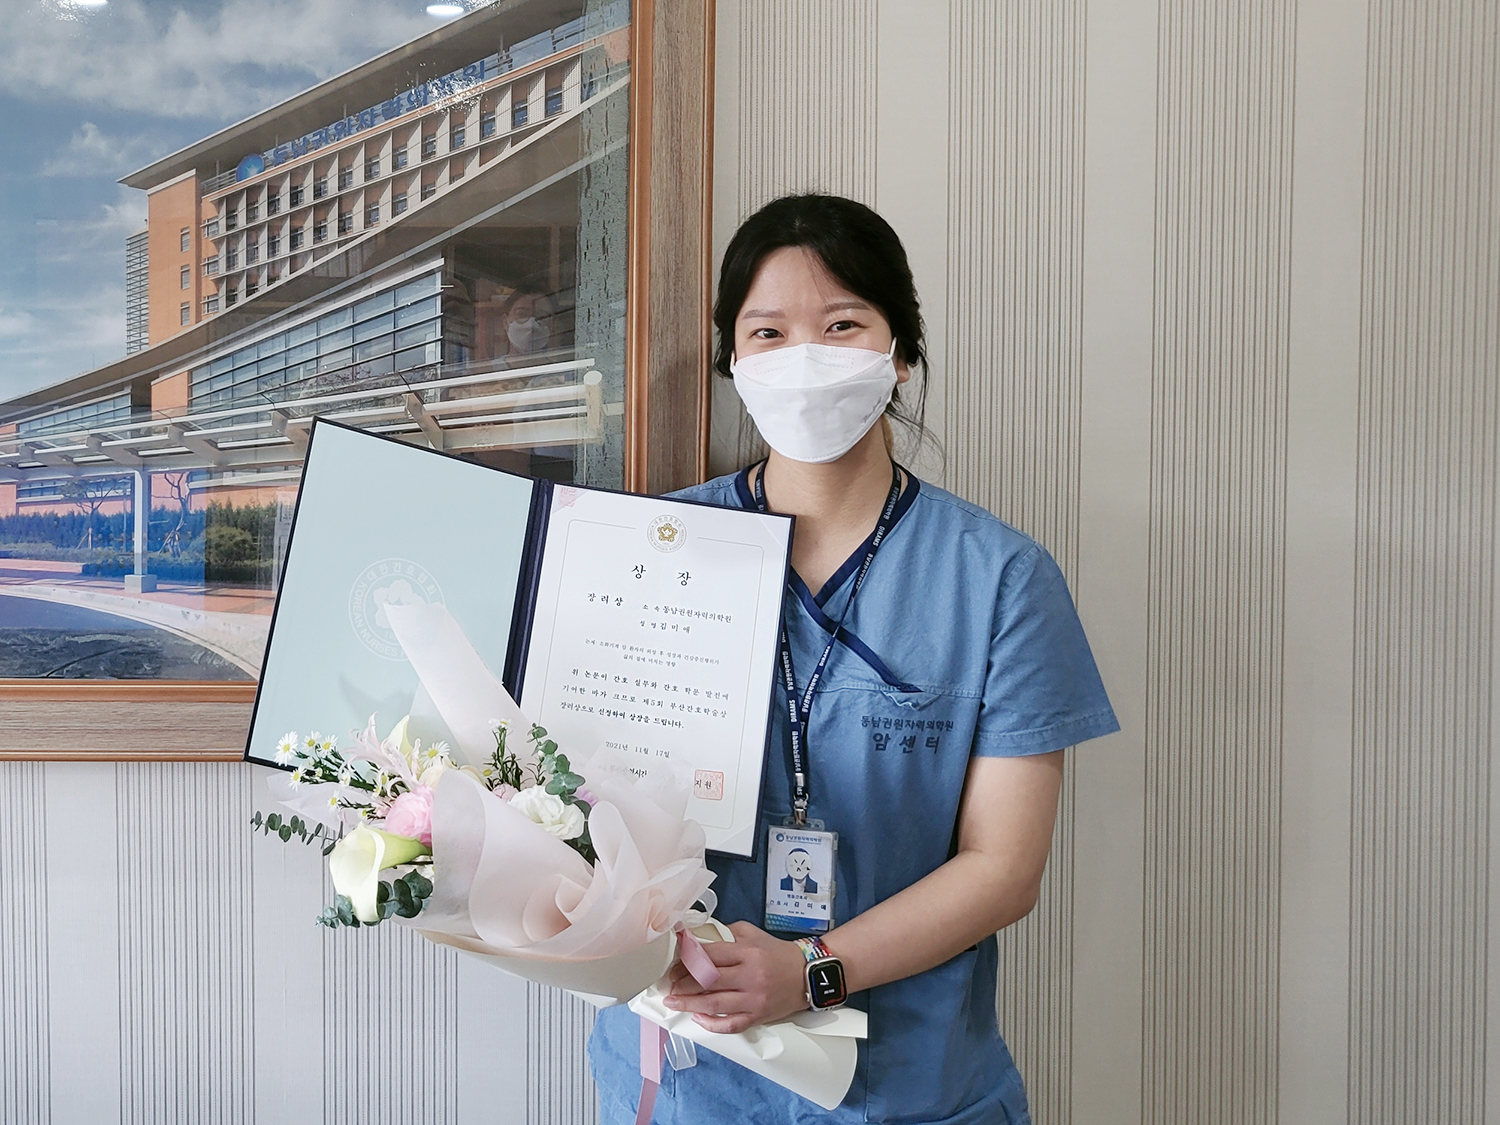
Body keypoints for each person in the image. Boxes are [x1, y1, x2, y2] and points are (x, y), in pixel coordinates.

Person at [587, 194, 1119, 1124]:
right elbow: (578, 788)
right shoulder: (651, 551)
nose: (806, 357)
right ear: (734, 364)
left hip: (913, 1084)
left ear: (900, 354)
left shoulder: (998, 579)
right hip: (691, 1073)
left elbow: (1005, 864)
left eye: (842, 325)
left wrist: (813, 968)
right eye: (769, 332)